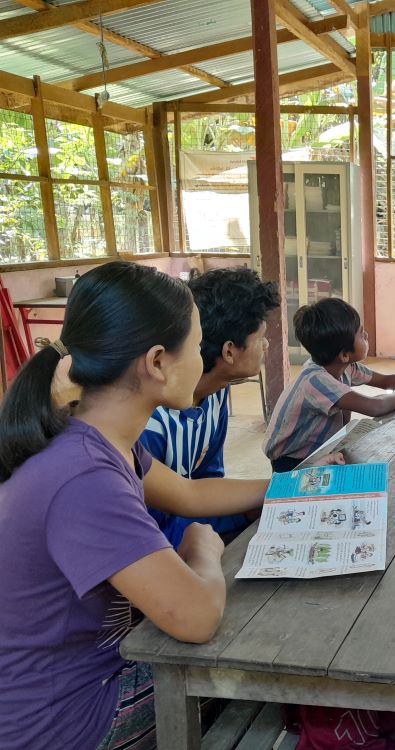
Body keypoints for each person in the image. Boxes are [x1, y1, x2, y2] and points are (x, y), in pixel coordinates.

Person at [0, 262, 270, 749]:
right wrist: (200, 547)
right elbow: (196, 617)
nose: (203, 355)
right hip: (69, 718)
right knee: (260, 653)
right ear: (158, 361)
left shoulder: (102, 440)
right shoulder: (85, 477)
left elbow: (190, 494)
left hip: (89, 677)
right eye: (198, 341)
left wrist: (287, 488)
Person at [139, 267, 279, 547]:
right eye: (260, 337)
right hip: (158, 544)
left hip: (189, 525)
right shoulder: (147, 424)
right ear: (229, 351)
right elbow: (151, 528)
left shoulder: (216, 394)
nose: (266, 345)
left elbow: (207, 484)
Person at [263, 297, 395, 472]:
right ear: (344, 354)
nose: (366, 335)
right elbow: (374, 407)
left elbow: (386, 380)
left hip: (319, 450)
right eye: (361, 334)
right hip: (291, 461)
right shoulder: (316, 381)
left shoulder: (343, 366)